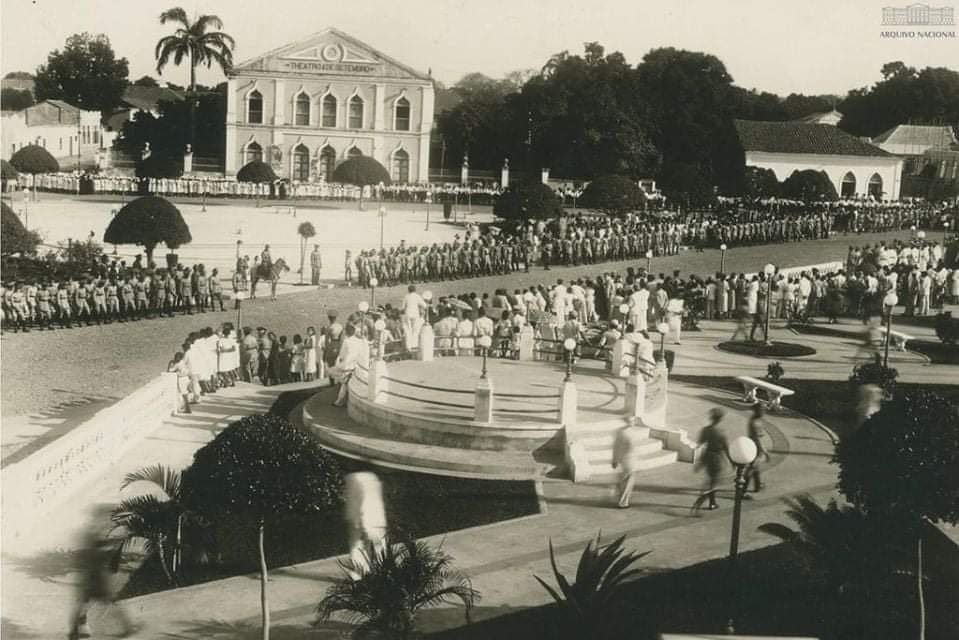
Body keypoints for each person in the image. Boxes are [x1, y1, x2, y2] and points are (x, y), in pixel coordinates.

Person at [68, 506, 135, 639]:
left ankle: (74, 632)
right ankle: (127, 628)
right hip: (95, 578)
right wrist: (116, 541)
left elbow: (99, 547)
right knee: (110, 602)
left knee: (82, 604)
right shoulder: (91, 534)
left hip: (89, 578)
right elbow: (100, 547)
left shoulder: (89, 533)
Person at [342, 472, 387, 579]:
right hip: (374, 517)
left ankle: (361, 573)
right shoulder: (372, 477)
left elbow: (361, 499)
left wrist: (362, 520)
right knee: (377, 545)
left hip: (362, 517)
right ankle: (376, 572)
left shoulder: (353, 478)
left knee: (357, 545)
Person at [695, 408, 728, 510]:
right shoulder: (721, 432)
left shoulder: (705, 430)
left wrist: (700, 462)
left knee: (711, 480)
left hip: (707, 456)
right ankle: (701, 501)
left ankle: (712, 502)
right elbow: (726, 447)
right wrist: (731, 461)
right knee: (714, 482)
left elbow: (700, 444)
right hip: (717, 457)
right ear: (720, 419)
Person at [330, 323, 370, 407]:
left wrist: (339, 361)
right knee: (347, 382)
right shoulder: (362, 341)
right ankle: (342, 399)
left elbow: (342, 355)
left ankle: (340, 401)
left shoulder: (347, 341)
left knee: (340, 379)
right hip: (358, 365)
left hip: (347, 366)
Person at [611, 421, 647, 508]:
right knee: (628, 482)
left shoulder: (620, 432)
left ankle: (621, 499)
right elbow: (632, 448)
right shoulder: (631, 434)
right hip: (630, 461)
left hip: (624, 461)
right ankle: (623, 503)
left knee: (624, 481)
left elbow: (616, 447)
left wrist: (615, 460)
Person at [746, 403, 771, 492]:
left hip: (751, 445)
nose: (764, 412)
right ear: (758, 411)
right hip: (756, 448)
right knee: (752, 468)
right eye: (763, 410)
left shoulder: (753, 419)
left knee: (755, 467)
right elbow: (758, 440)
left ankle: (757, 485)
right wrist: (766, 452)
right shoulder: (757, 423)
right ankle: (743, 489)